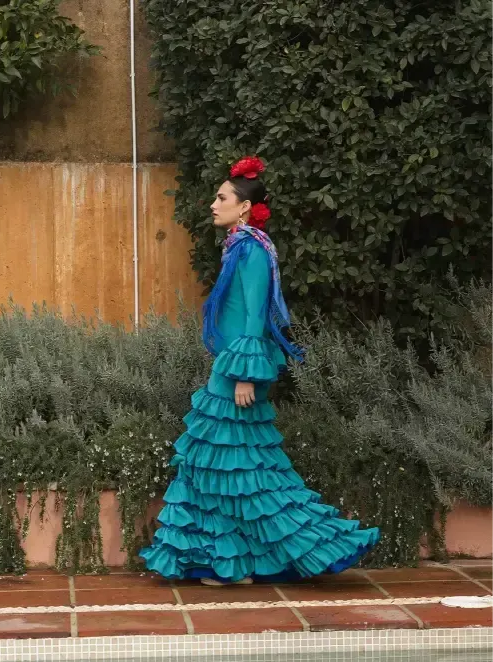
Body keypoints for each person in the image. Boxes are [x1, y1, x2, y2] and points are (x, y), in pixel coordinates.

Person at [140, 157, 379, 585]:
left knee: (231, 466)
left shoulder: (250, 249)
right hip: (230, 366)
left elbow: (254, 315)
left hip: (237, 370)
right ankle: (233, 562)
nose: (213, 204)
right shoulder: (240, 245)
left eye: (221, 197)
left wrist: (245, 374)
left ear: (244, 207)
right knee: (227, 466)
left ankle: (267, 555)